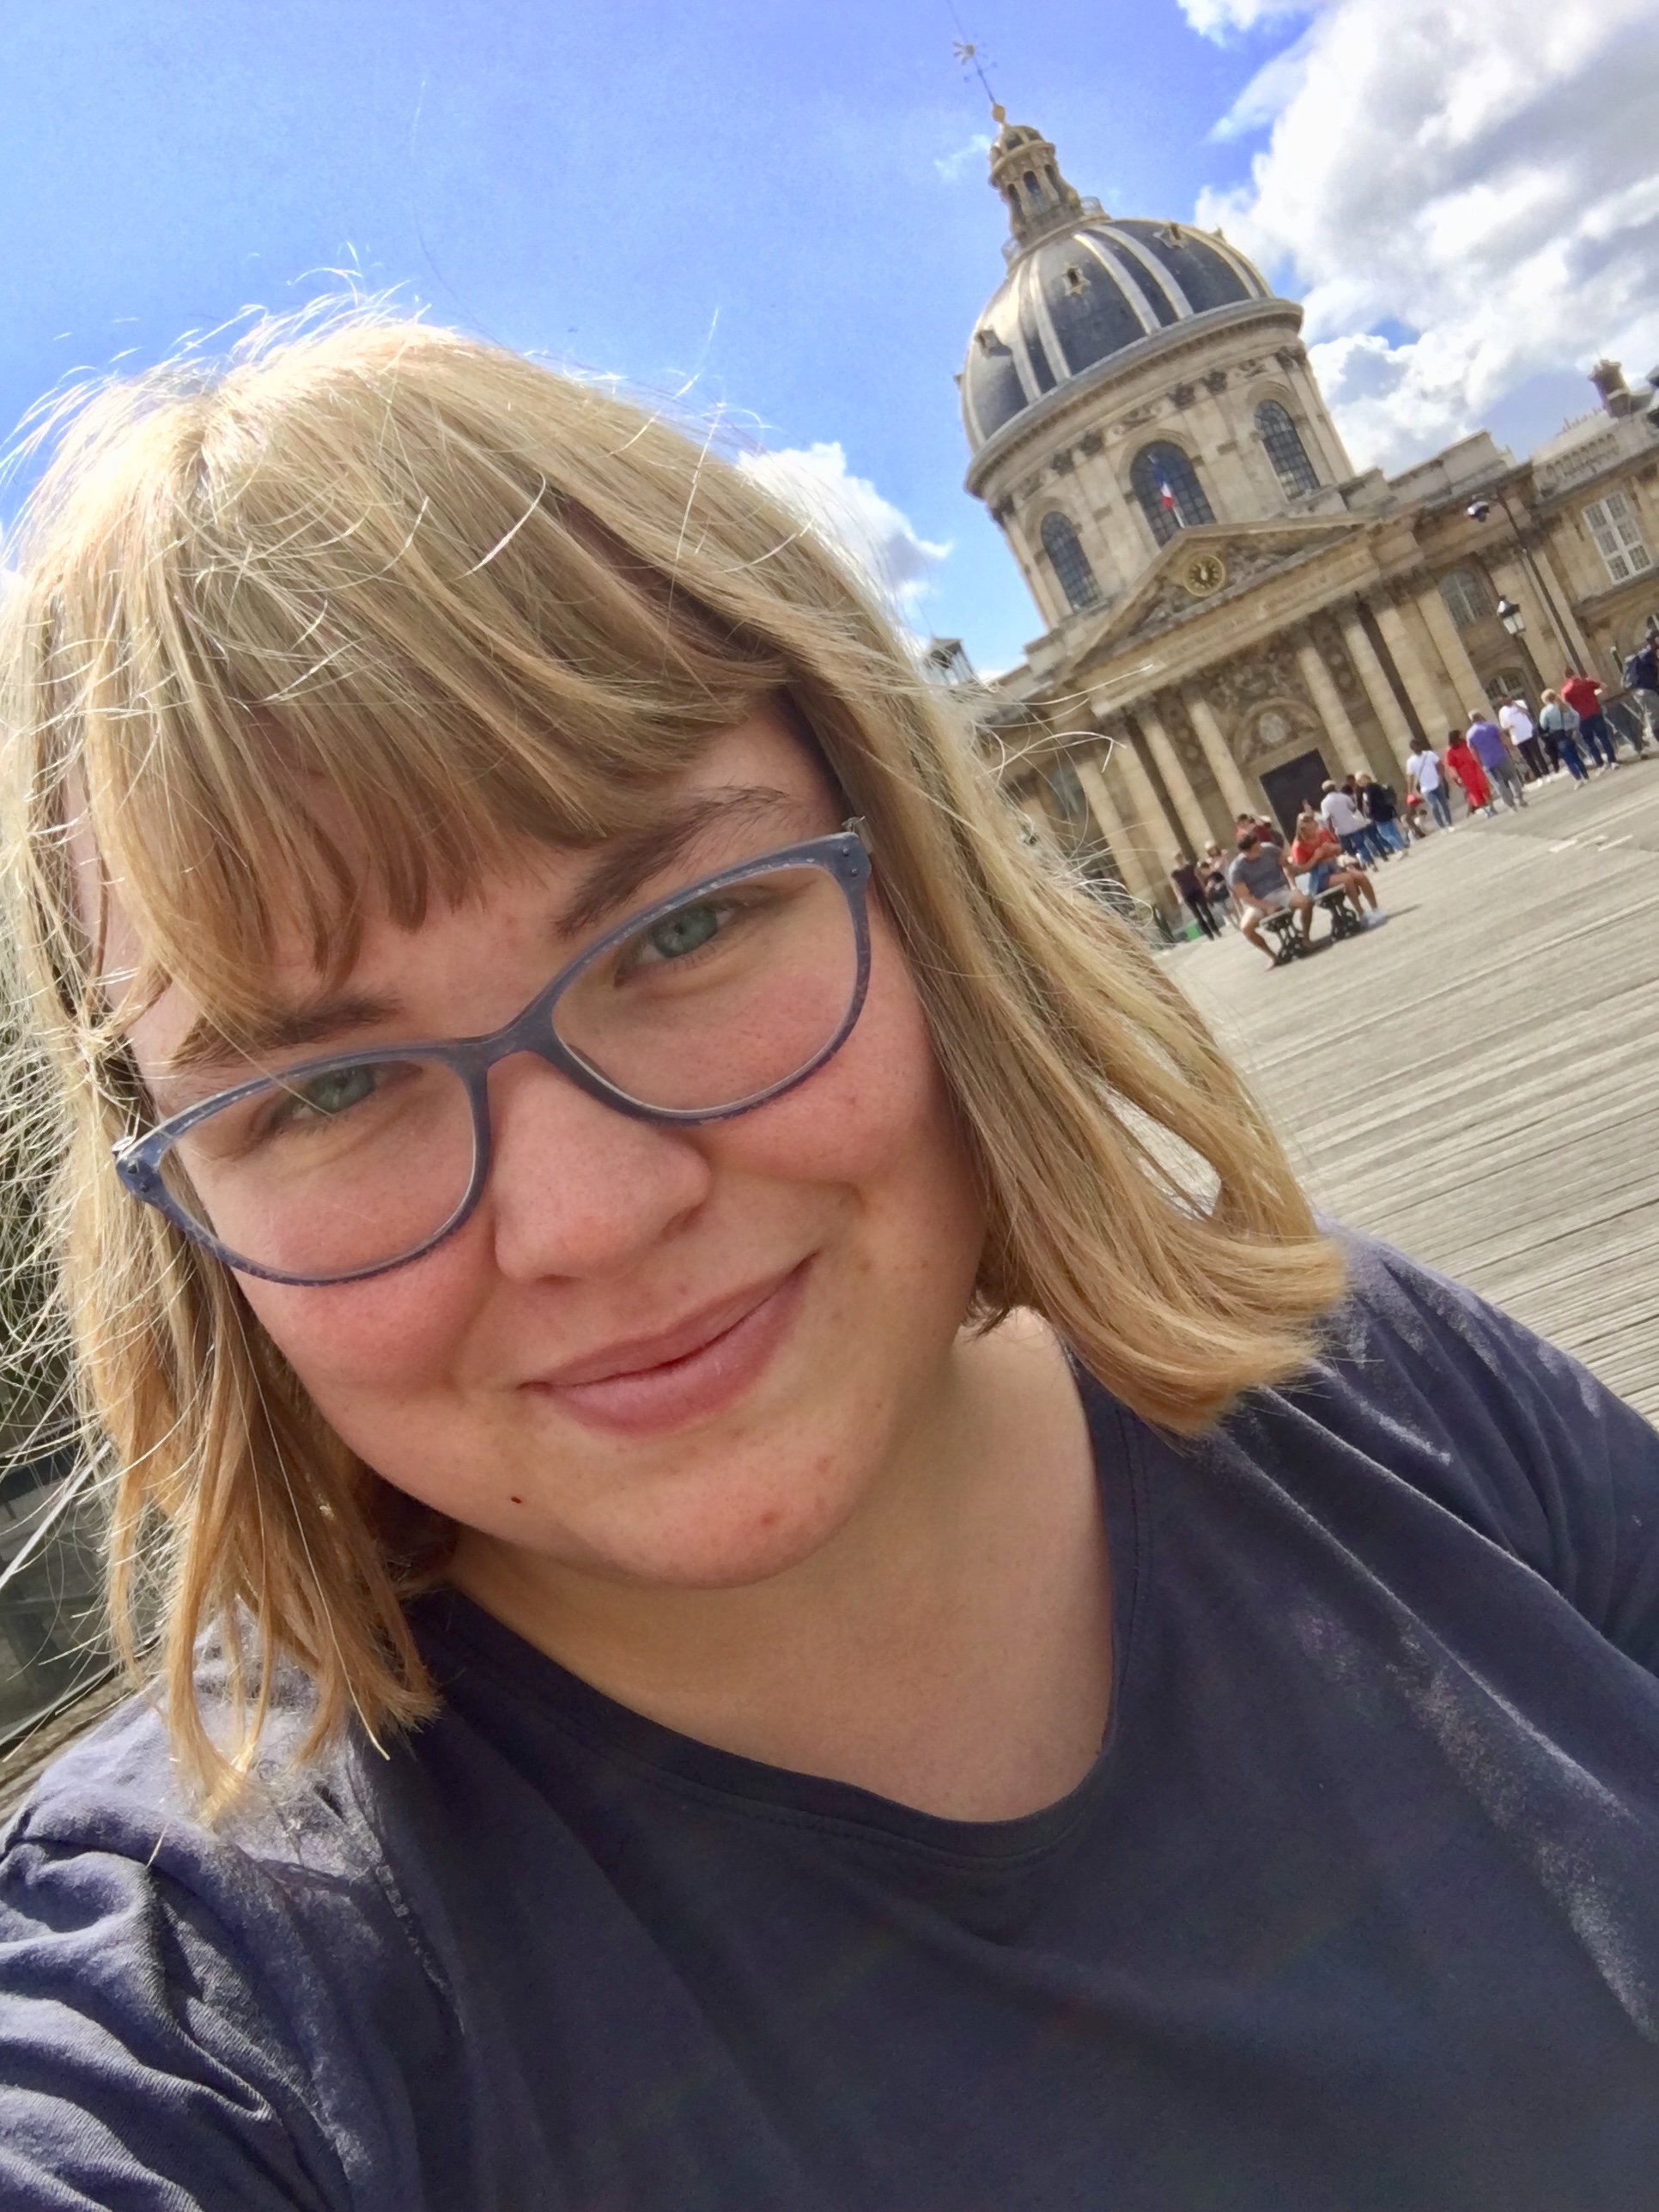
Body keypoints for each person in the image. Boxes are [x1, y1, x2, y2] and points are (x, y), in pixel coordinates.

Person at [6, 315, 1659, 2210]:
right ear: (173, 1210)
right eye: (323, 1090)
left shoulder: (1382, 1379)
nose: (590, 1215)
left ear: (920, 879)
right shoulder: (204, 2006)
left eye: (684, 929)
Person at [1227, 824, 1315, 967]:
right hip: (1258, 900)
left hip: (1280, 890)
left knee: (1306, 903)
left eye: (1259, 845)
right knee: (1246, 928)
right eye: (1256, 848)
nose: (1260, 849)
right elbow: (1245, 897)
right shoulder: (1237, 869)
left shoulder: (1269, 850)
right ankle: (1273, 956)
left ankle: (1306, 938)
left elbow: (1286, 866)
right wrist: (1266, 906)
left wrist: (1293, 886)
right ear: (1246, 852)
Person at [1286, 809, 1379, 920]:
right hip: (1319, 875)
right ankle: (1361, 913)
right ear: (1303, 830)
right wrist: (1315, 857)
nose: (1316, 830)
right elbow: (1301, 869)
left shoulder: (1323, 832)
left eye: (1315, 826)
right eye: (1312, 829)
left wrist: (1333, 848)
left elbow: (1340, 848)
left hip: (1335, 866)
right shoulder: (1299, 846)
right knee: (1347, 880)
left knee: (1361, 876)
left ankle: (1375, 909)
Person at [1467, 708, 1525, 811]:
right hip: (1501, 757)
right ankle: (1519, 798)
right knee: (1512, 777)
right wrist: (1513, 750)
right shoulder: (1491, 726)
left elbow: (1473, 752)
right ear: (1480, 716)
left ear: (1471, 720)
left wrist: (1480, 764)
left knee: (1498, 784)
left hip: (1487, 763)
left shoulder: (1470, 734)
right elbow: (1504, 739)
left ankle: (1511, 805)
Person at [1561, 668, 1619, 768]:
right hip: (1595, 712)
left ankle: (1600, 763)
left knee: (1589, 742)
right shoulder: (1587, 682)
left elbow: (1566, 706)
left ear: (1566, 677)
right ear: (1575, 673)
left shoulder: (1566, 691)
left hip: (1581, 718)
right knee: (1604, 737)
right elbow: (1604, 686)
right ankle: (1612, 760)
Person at [1317, 779, 1376, 867]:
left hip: (1340, 830)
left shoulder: (1324, 803)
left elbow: (1327, 819)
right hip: (1352, 825)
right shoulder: (1344, 797)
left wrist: (1331, 832)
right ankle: (1371, 863)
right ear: (1334, 787)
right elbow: (1353, 809)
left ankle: (1357, 866)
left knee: (1348, 849)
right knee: (1361, 846)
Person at [1539, 688, 1589, 784]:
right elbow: (1576, 715)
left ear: (1546, 700)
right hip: (1570, 733)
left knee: (1568, 758)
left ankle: (1578, 779)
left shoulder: (1545, 711)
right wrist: (1575, 728)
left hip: (1558, 735)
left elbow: (1543, 725)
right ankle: (1586, 776)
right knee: (1576, 756)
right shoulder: (1564, 705)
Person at [1442, 728, 1495, 817]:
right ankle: (1486, 811)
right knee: (1475, 793)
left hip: (1475, 768)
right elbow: (1452, 766)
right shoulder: (1450, 750)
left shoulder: (1465, 743)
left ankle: (1492, 807)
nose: (1462, 736)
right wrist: (1458, 777)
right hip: (1465, 773)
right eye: (1460, 735)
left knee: (1484, 787)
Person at [1621, 634, 1659, 751]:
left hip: (1642, 691)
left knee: (1653, 716)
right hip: (1646, 691)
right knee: (1655, 717)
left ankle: (1640, 744)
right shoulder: (1647, 654)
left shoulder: (1646, 654)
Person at [1356, 769, 1407, 855]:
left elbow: (1371, 803)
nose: (1358, 783)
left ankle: (1400, 848)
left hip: (1378, 814)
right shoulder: (1377, 785)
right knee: (1393, 831)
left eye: (1359, 780)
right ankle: (1403, 847)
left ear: (1365, 778)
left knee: (1385, 834)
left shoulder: (1368, 789)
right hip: (1387, 810)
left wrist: (1370, 814)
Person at [1406, 735, 1453, 829]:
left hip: (1437, 784)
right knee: (1434, 806)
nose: (1417, 748)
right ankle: (1442, 826)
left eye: (1417, 746)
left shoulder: (1429, 754)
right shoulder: (1411, 762)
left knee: (1444, 804)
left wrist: (1440, 777)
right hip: (1425, 788)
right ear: (1412, 749)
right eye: (1414, 747)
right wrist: (1410, 792)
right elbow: (1410, 777)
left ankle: (1449, 823)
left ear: (1420, 746)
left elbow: (1440, 764)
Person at [1170, 854, 1221, 939]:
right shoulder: (1175, 873)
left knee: (1206, 911)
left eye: (1180, 858)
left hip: (1197, 890)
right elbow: (1175, 886)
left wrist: (1203, 888)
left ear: (1182, 858)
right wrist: (1179, 897)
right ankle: (1208, 934)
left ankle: (1215, 929)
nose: (1179, 860)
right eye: (1177, 859)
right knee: (1198, 916)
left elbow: (1198, 877)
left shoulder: (1190, 867)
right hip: (1187, 895)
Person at [1499, 696, 1549, 783]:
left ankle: (1547, 774)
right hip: (1518, 738)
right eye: (1502, 702)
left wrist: (1516, 705)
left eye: (1505, 700)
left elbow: (1528, 714)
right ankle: (1539, 777)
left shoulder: (1519, 703)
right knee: (1528, 759)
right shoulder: (1502, 712)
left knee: (1538, 755)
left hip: (1529, 733)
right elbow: (1503, 727)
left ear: (1508, 698)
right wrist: (1508, 727)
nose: (1504, 702)